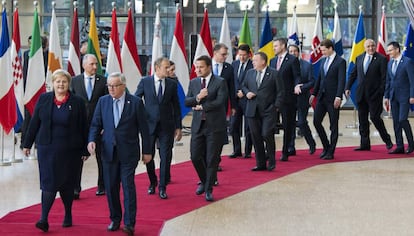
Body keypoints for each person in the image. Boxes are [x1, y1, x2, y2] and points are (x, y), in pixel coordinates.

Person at [22, 69, 89, 232]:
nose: (61, 84)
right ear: (53, 83)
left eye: (64, 81)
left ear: (68, 84)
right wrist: (27, 143)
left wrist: (85, 150)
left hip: (70, 151)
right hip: (47, 149)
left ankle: (68, 214)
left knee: (67, 184)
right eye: (58, 81)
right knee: (48, 183)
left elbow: (84, 127)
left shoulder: (78, 102)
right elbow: (34, 122)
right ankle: (43, 219)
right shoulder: (44, 99)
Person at [88, 72, 151, 235]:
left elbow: (145, 129)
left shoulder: (135, 103)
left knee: (128, 187)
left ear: (123, 86)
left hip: (128, 152)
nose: (111, 89)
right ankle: (115, 218)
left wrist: (147, 151)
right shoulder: (103, 102)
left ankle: (129, 223)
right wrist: (92, 140)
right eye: (109, 85)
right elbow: (95, 124)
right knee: (111, 188)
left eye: (115, 85)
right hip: (108, 151)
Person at [135, 57, 182, 199]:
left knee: (165, 156)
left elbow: (176, 106)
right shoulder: (145, 82)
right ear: (157, 67)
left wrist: (178, 126)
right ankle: (153, 182)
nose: (169, 70)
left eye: (170, 67)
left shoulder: (172, 84)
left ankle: (162, 186)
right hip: (148, 125)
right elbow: (136, 100)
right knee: (148, 156)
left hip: (167, 126)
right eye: (166, 67)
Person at [185, 55, 228, 202]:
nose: (197, 70)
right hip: (198, 125)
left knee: (212, 159)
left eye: (201, 67)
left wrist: (203, 106)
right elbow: (187, 101)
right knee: (195, 156)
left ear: (209, 67)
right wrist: (198, 97)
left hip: (214, 126)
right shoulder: (194, 82)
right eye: (196, 67)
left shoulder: (220, 82)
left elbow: (220, 101)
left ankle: (208, 189)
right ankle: (204, 181)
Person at [345, 39, 393, 151]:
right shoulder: (359, 58)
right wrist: (347, 87)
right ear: (364, 48)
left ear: (375, 46)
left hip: (375, 95)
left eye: (373, 46)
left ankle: (387, 140)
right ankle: (365, 144)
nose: (371, 48)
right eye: (368, 46)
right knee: (362, 120)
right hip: (361, 94)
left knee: (375, 118)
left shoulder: (382, 59)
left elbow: (384, 78)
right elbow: (353, 74)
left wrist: (381, 93)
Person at [71, 54, 108, 199]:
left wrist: (106, 125)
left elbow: (107, 105)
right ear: (84, 65)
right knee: (78, 159)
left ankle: (102, 185)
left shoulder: (104, 81)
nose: (95, 67)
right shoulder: (74, 81)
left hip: (98, 126)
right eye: (92, 64)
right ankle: (75, 188)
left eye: (96, 64)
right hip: (79, 127)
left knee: (101, 157)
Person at [242, 52, 284, 171]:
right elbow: (244, 86)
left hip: (268, 110)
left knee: (266, 134)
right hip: (252, 110)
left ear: (263, 61)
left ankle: (271, 160)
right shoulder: (250, 73)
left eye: (255, 60)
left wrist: (276, 106)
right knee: (256, 137)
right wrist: (247, 93)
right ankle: (260, 163)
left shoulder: (274, 73)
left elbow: (280, 91)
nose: (253, 62)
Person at [309, 39, 346, 160]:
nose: (322, 52)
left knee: (333, 125)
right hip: (321, 97)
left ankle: (331, 151)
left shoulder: (340, 62)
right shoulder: (323, 60)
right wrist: (313, 94)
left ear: (330, 48)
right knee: (316, 121)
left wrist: (338, 96)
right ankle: (326, 146)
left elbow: (341, 80)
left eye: (324, 50)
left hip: (333, 98)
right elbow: (319, 78)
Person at [269, 38, 301, 161]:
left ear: (283, 46)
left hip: (288, 99)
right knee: (270, 125)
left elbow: (297, 76)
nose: (274, 48)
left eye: (276, 46)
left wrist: (297, 85)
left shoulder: (292, 60)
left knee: (288, 125)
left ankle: (285, 150)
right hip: (273, 99)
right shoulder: (272, 61)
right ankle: (270, 151)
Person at [384, 41, 414, 154]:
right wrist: (386, 96)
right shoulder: (390, 63)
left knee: (402, 120)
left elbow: (412, 80)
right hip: (393, 96)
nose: (389, 53)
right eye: (388, 50)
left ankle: (411, 144)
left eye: (390, 50)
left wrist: (412, 95)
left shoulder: (407, 62)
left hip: (405, 97)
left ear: (397, 49)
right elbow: (388, 81)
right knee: (396, 121)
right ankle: (399, 146)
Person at [211, 43, 235, 177]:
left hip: (222, 106)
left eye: (226, 54)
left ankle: (216, 160)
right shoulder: (205, 65)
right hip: (206, 108)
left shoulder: (228, 68)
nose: (225, 57)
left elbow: (232, 88)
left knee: (219, 134)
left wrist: (234, 107)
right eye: (223, 54)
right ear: (215, 53)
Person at [289, 44, 317, 155]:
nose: (293, 53)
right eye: (290, 51)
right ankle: (291, 147)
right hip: (289, 99)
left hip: (302, 98)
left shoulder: (307, 65)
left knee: (301, 122)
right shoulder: (286, 65)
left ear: (299, 52)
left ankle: (311, 143)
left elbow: (312, 81)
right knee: (290, 123)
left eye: (295, 51)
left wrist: (301, 88)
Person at [230, 44, 253, 158]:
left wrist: (244, 92)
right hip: (235, 100)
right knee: (234, 125)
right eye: (240, 55)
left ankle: (248, 151)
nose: (242, 57)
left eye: (244, 55)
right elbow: (231, 81)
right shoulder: (234, 64)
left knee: (248, 127)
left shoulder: (253, 65)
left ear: (249, 54)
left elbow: (254, 82)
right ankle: (237, 150)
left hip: (248, 100)